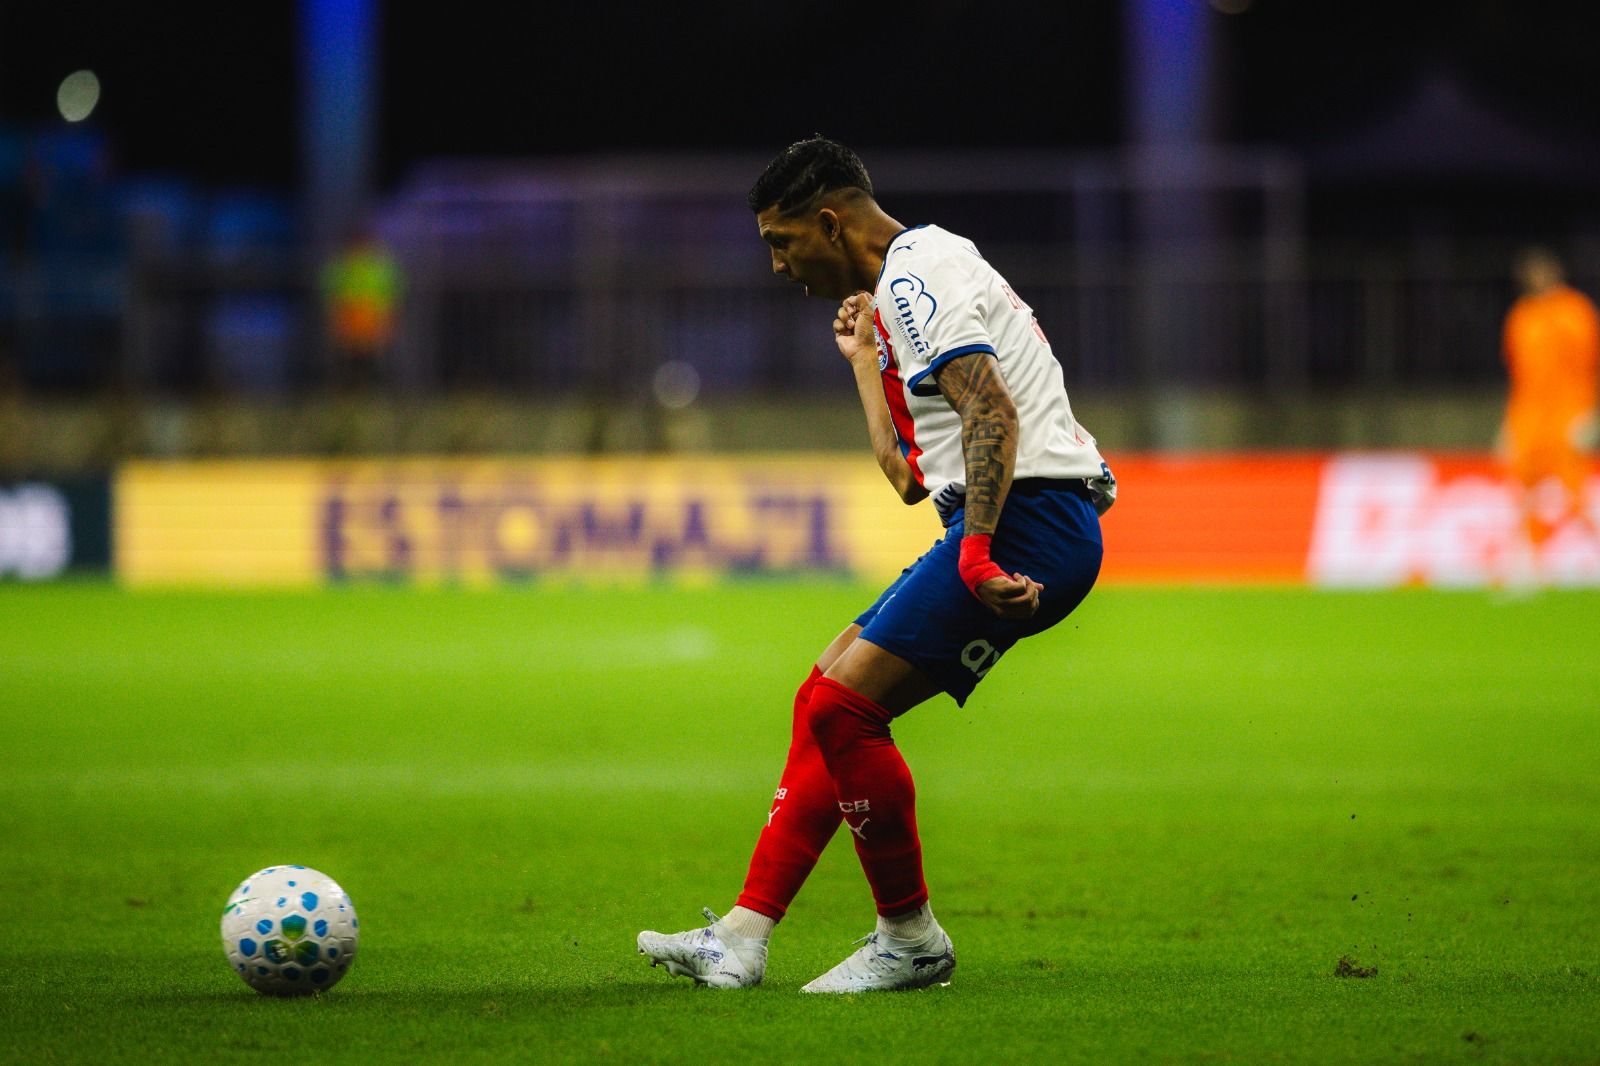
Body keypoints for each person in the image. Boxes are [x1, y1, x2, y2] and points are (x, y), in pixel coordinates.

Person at [637, 137, 1115, 993]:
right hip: (1006, 515)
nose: (780, 267)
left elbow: (991, 409)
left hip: (1025, 523)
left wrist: (973, 554)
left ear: (829, 222)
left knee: (849, 710)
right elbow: (908, 476)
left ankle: (909, 938)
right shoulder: (905, 291)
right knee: (820, 695)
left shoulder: (917, 270)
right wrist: (865, 367)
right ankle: (742, 936)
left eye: (782, 243)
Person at [1497, 247, 1599, 584]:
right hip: (1529, 417)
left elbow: (1590, 365)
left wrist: (1591, 412)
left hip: (1568, 414)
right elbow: (1518, 375)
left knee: (1574, 492)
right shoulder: (1521, 316)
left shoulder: (1576, 311)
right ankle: (1526, 567)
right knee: (1523, 492)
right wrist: (1508, 424)